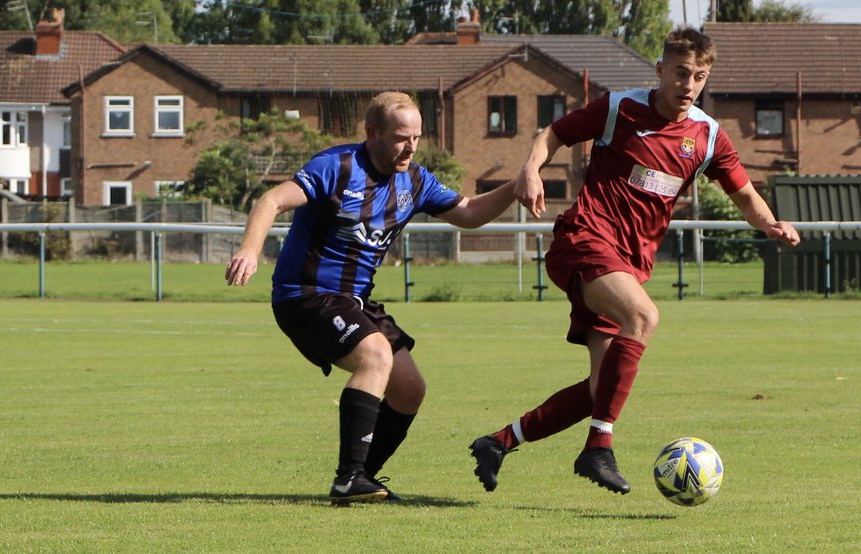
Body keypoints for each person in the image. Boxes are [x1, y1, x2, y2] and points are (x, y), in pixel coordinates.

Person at [469, 27, 801, 495]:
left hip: (625, 264)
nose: (688, 84)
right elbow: (554, 133)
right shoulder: (620, 108)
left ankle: (498, 442)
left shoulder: (707, 136)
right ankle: (598, 448)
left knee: (601, 388)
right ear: (660, 70)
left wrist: (770, 224)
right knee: (643, 316)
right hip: (583, 239)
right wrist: (530, 169)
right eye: (681, 73)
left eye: (699, 77)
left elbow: (745, 195)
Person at [227, 91, 516, 504]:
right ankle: (348, 478)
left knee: (409, 388)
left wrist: (516, 187)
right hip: (306, 295)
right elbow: (271, 200)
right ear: (373, 132)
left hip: (355, 300)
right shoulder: (337, 166)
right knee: (375, 356)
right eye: (401, 138)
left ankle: (363, 478)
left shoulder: (415, 181)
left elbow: (469, 213)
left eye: (416, 137)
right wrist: (250, 250)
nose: (410, 147)